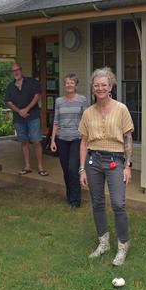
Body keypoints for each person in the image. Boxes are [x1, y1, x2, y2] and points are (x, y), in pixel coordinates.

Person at [79, 67, 134, 266]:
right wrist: (82, 169)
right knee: (97, 203)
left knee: (118, 204)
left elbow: (128, 137)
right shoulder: (87, 113)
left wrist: (128, 166)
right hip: (93, 161)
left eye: (104, 85)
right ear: (93, 88)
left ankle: (123, 245)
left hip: (115, 161)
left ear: (110, 87)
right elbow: (84, 142)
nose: (100, 88)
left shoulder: (121, 109)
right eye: (97, 85)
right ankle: (104, 243)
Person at [50, 73, 89, 209]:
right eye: (67, 82)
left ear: (76, 85)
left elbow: (86, 120)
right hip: (61, 139)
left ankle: (75, 200)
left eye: (72, 82)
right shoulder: (59, 101)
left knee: (73, 169)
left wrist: (87, 138)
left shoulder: (82, 100)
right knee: (66, 170)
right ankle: (69, 196)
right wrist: (52, 140)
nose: (69, 85)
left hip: (77, 139)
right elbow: (56, 121)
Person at [5, 63, 48, 176]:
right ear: (12, 72)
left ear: (21, 70)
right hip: (19, 119)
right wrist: (19, 111)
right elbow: (8, 102)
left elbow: (37, 96)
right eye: (13, 70)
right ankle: (27, 166)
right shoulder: (10, 86)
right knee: (23, 142)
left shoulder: (32, 82)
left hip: (33, 116)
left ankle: (40, 167)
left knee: (36, 141)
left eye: (18, 69)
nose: (16, 72)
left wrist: (26, 109)